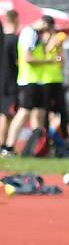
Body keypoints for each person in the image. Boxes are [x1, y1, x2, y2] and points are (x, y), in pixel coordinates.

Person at [2, 17, 54, 155]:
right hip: (28, 80)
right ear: (44, 24)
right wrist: (48, 60)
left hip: (38, 80)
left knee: (39, 114)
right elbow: (27, 57)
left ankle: (36, 146)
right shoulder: (29, 33)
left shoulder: (37, 36)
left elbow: (58, 59)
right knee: (23, 112)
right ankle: (9, 146)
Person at [41, 16, 69, 138]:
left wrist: (58, 50)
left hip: (57, 79)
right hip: (44, 80)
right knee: (45, 111)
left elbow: (61, 61)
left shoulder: (57, 39)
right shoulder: (41, 39)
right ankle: (45, 138)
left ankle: (65, 137)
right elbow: (41, 57)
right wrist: (50, 45)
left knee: (62, 110)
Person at [0, 10, 20, 150]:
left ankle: (4, 144)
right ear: (16, 20)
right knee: (6, 115)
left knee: (5, 114)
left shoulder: (3, 39)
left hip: (2, 81)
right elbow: (19, 61)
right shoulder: (14, 40)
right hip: (11, 82)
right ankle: (4, 145)